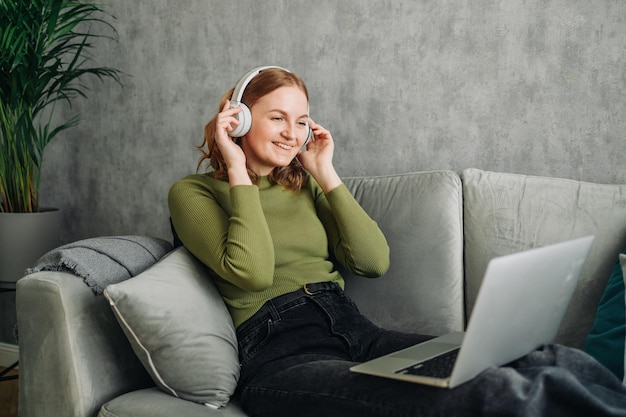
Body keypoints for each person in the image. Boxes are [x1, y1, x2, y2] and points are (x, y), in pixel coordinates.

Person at [168, 66, 626, 417]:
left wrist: (324, 173)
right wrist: (233, 166)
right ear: (240, 119)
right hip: (282, 358)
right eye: (277, 118)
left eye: (302, 120)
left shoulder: (303, 185)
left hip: (361, 334)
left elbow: (373, 261)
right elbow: (253, 272)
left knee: (542, 358)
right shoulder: (194, 193)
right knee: (490, 392)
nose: (293, 132)